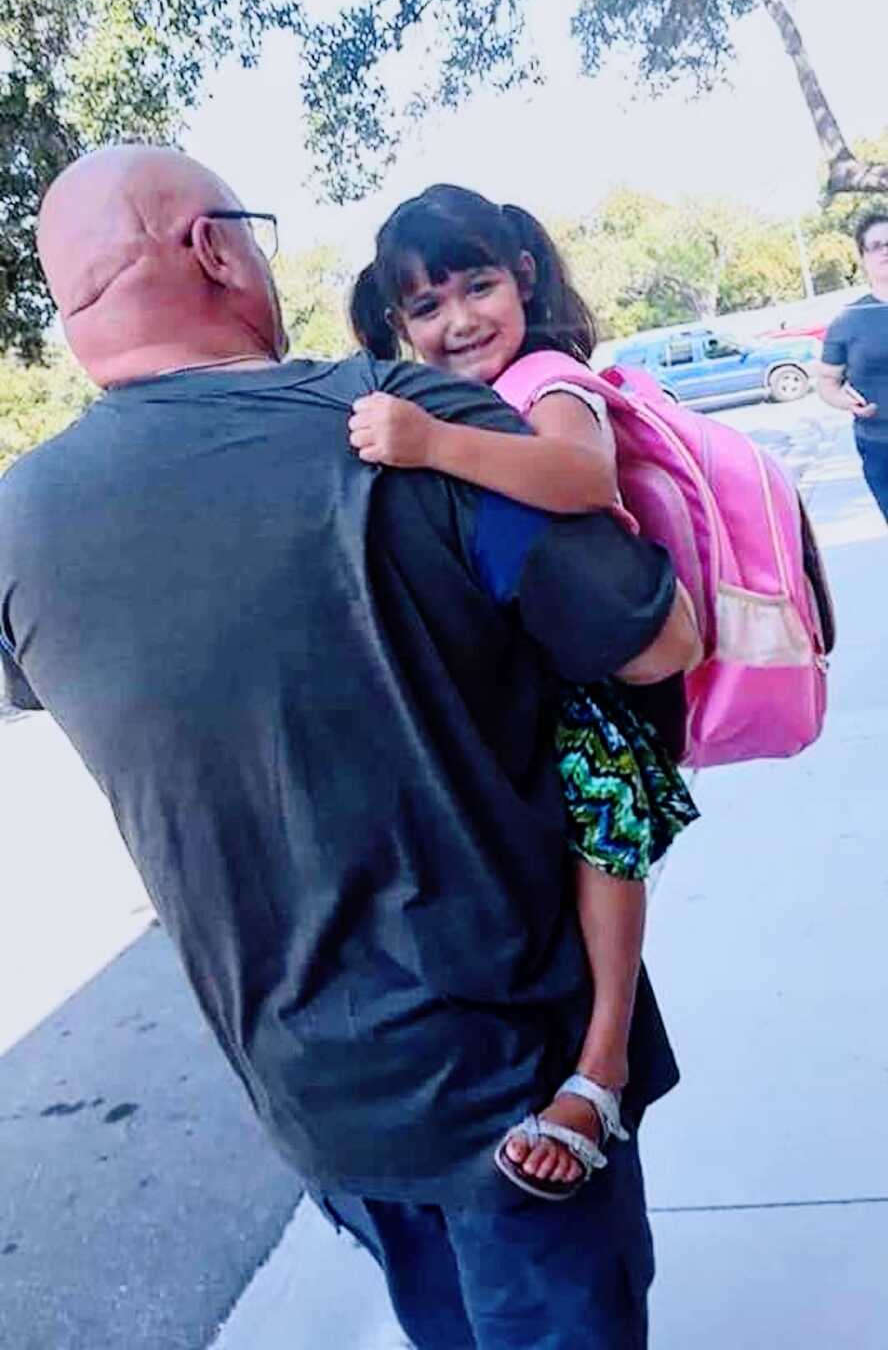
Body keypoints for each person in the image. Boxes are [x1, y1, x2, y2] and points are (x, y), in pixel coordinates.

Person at [0, 145, 699, 1350]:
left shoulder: (19, 525)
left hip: (311, 1097)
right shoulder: (406, 425)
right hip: (525, 1090)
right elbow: (658, 644)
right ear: (215, 247)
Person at [348, 184, 700, 1201]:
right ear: (394, 321)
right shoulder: (466, 386)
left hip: (598, 676)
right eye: (426, 306)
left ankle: (602, 1059)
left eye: (479, 285)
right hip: (544, 667)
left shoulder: (547, 375)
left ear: (525, 278)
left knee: (603, 846)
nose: (459, 321)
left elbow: (580, 476)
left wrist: (430, 442)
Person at [818, 209, 888, 522]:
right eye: (876, 245)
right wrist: (843, 401)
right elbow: (827, 383)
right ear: (863, 257)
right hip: (880, 446)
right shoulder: (848, 320)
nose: (885, 250)